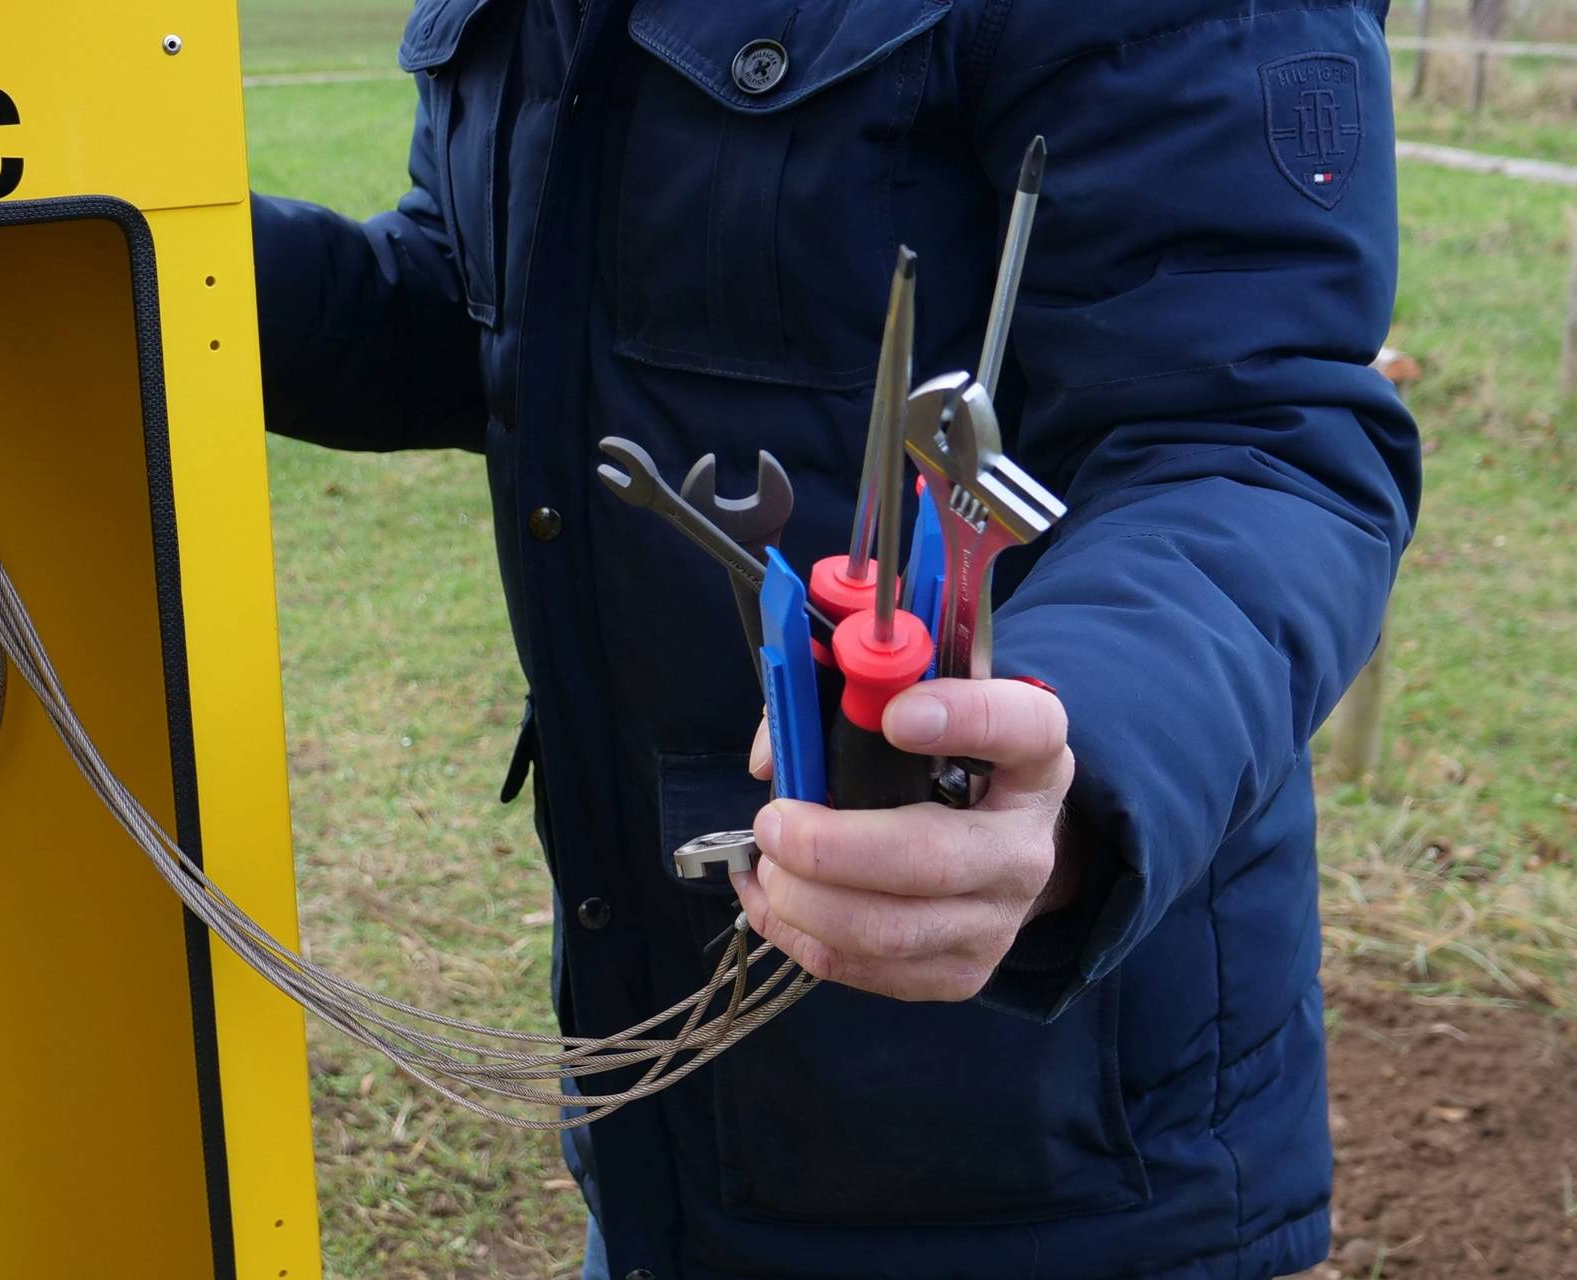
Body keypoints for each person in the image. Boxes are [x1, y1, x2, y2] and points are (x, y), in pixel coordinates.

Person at [250, 0, 1419, 1275]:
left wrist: (1061, 759)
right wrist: (153, 262)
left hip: (1058, 1164)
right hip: (678, 1099)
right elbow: (489, 308)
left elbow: (1253, 440)